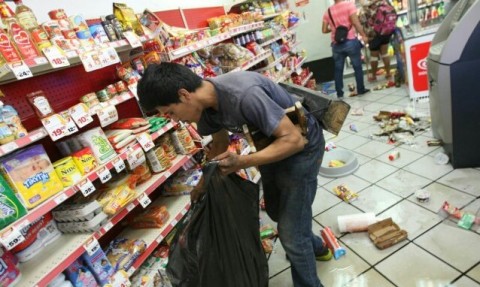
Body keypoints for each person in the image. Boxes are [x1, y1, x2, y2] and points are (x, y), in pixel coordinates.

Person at [138, 62, 332, 287]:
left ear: (184, 95)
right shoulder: (205, 109)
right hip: (270, 144)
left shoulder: (243, 95)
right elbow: (220, 142)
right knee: (278, 211)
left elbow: (294, 141)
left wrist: (242, 162)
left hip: (303, 147)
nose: (174, 119)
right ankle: (315, 246)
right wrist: (202, 184)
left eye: (170, 112)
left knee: (291, 235)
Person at [322, 0, 370, 98]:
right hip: (350, 41)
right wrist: (363, 35)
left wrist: (335, 29)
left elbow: (324, 30)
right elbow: (356, 23)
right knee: (357, 67)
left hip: (336, 44)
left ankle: (340, 93)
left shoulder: (328, 11)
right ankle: (360, 89)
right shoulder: (349, 5)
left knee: (338, 69)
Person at [359, 0, 398, 82]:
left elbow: (362, 21)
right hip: (385, 31)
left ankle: (373, 76)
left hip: (373, 34)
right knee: (385, 53)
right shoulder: (384, 2)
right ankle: (388, 73)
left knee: (374, 56)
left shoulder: (366, 7)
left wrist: (364, 35)